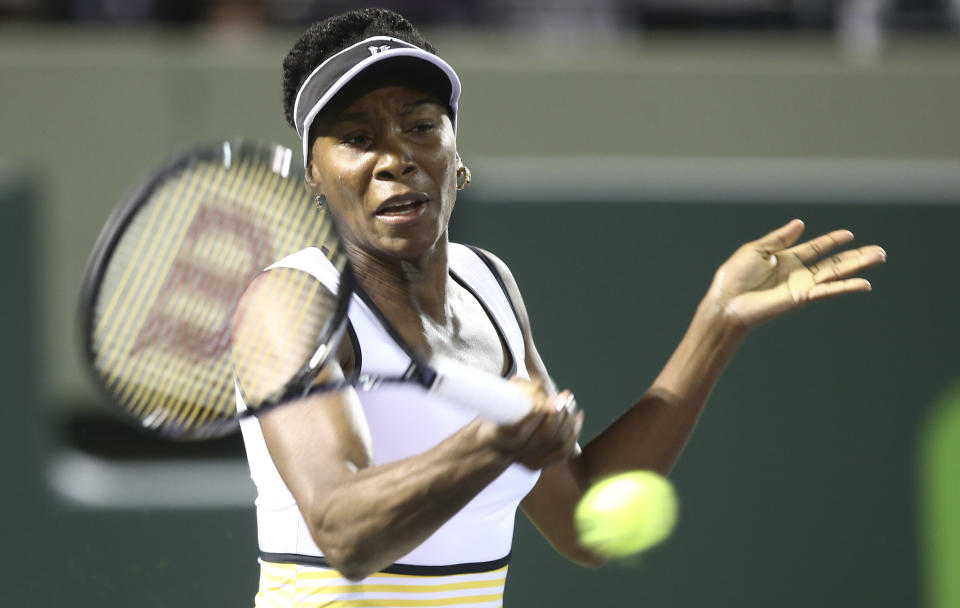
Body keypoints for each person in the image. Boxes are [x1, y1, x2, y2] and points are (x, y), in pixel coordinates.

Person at [234, 8, 887, 607]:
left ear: (455, 154)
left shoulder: (488, 286)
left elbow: (581, 525)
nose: (396, 159)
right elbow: (343, 532)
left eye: (421, 126)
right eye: (356, 137)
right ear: (313, 175)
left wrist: (716, 324)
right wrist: (488, 446)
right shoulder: (294, 301)